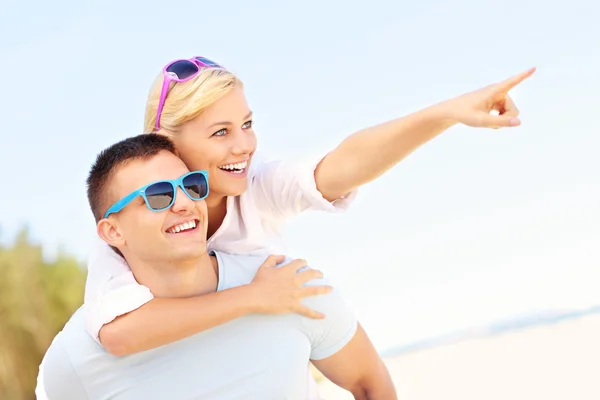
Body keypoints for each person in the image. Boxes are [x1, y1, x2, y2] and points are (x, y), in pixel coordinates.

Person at [70, 57, 534, 397]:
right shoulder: (131, 227)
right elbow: (119, 331)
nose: (243, 145)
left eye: (247, 124)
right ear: (165, 142)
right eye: (220, 132)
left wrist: (446, 113)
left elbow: (343, 163)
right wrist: (256, 297)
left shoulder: (253, 186)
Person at [39, 134, 397, 399]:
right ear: (113, 231)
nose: (184, 204)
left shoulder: (289, 286)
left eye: (191, 186)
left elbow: (370, 382)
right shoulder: (74, 358)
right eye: (159, 196)